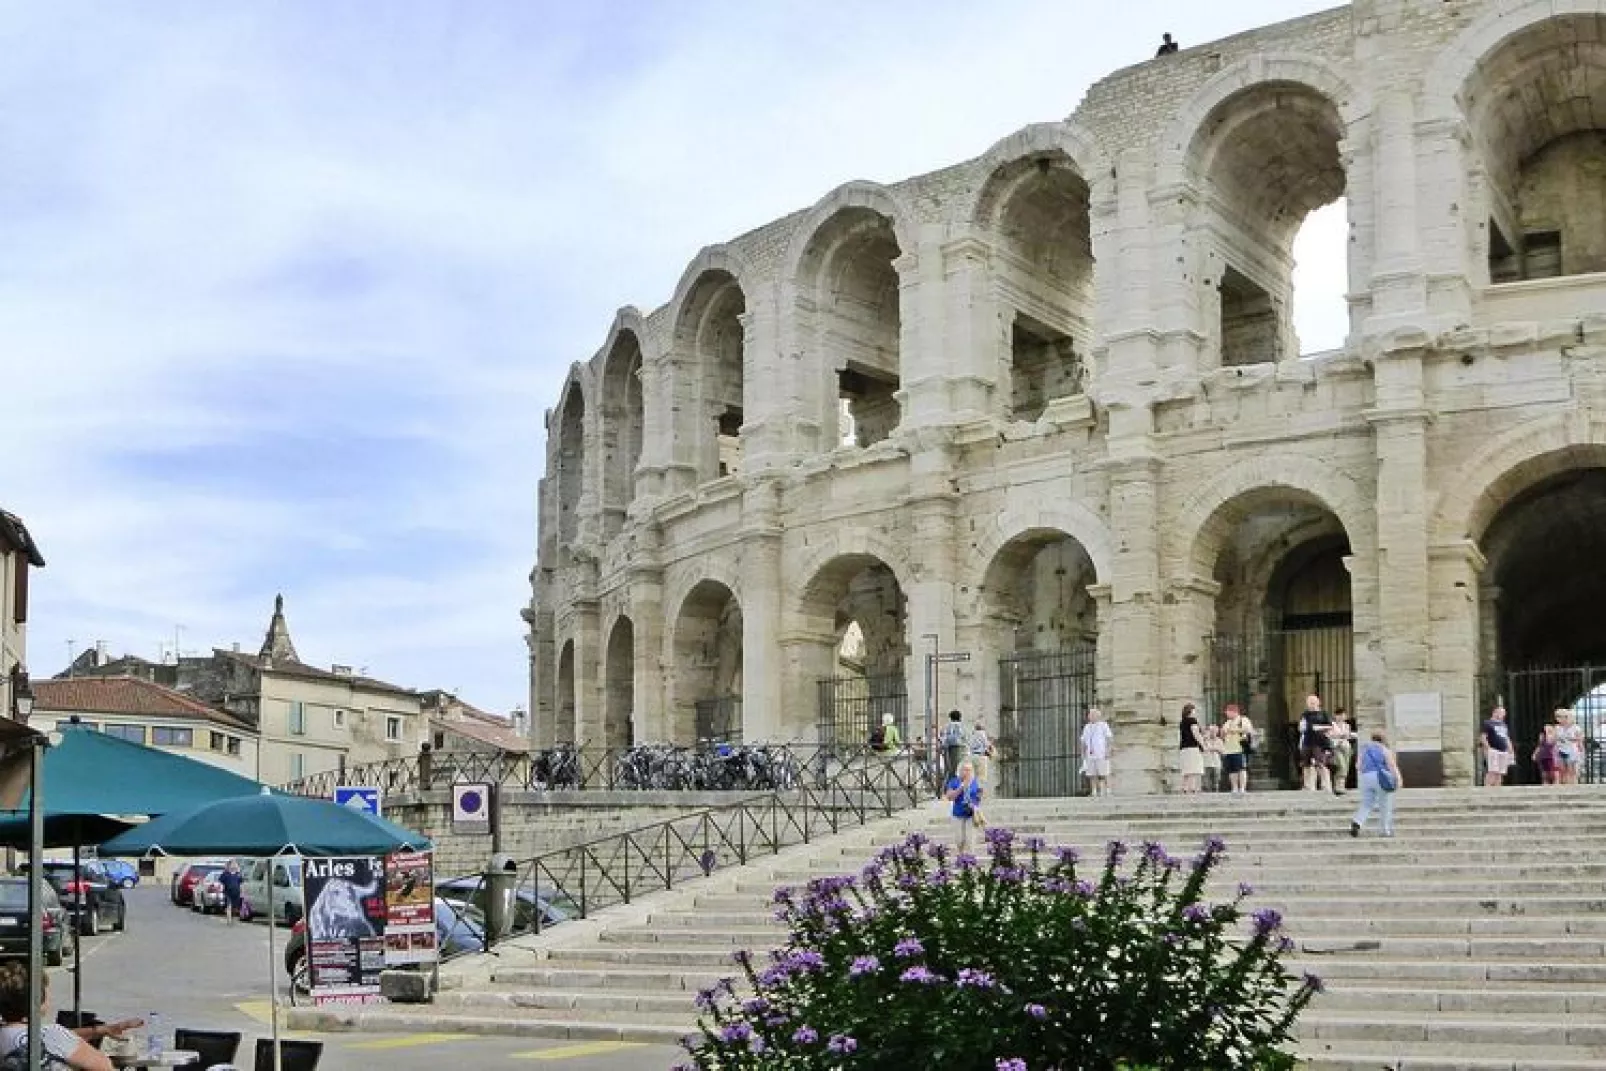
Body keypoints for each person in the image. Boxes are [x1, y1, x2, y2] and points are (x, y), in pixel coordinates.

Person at [0, 961, 141, 1070]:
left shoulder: (43, 1036)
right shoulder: (53, 1035)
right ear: (39, 1001)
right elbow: (104, 1066)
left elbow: (42, 1039)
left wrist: (99, 1030)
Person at [1350, 728, 1403, 838]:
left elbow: (1358, 766)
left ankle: (1357, 821)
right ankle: (1384, 830)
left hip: (1365, 778)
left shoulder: (1364, 749)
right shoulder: (1384, 749)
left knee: (1367, 803)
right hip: (1380, 777)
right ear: (1383, 738)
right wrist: (1398, 778)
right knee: (1385, 804)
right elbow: (1391, 765)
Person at [944, 759, 984, 853]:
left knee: (970, 841)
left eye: (969, 770)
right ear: (960, 771)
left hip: (971, 815)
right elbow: (949, 797)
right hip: (958, 815)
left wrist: (974, 804)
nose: (967, 772)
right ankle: (961, 857)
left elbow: (979, 796)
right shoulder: (954, 781)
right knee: (959, 840)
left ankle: (970, 860)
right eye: (965, 769)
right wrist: (961, 788)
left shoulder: (975, 782)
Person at [1298, 694, 1334, 792]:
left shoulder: (1324, 714)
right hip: (1307, 741)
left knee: (1321, 764)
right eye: (1309, 703)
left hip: (1320, 742)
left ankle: (1326, 785)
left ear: (1318, 703)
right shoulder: (1305, 714)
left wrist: (1318, 727)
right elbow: (1302, 727)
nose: (1311, 705)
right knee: (1306, 764)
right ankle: (1307, 786)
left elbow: (1330, 726)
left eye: (1313, 702)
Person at [1080, 707, 1113, 797]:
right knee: (1092, 774)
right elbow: (1083, 741)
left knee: (1105, 772)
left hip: (1101, 753)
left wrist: (1108, 750)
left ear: (1097, 716)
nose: (1090, 716)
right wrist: (1083, 753)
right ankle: (1094, 791)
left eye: (1092, 714)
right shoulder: (1087, 727)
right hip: (1090, 754)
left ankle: (1108, 790)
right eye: (1090, 714)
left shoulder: (1103, 725)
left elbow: (1109, 738)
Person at [1481, 705, 1514, 787]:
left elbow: (1506, 737)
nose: (1503, 715)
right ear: (1495, 712)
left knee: (1501, 772)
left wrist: (1510, 748)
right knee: (1492, 771)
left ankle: (1498, 788)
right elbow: (1483, 737)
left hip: (1503, 750)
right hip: (1493, 749)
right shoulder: (1488, 723)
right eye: (1501, 713)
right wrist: (1488, 748)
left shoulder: (1503, 725)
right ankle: (1487, 788)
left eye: (1504, 713)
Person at [1177, 703, 1204, 794]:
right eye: (1194, 710)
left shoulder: (1182, 722)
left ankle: (1184, 787)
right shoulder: (1192, 720)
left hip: (1183, 747)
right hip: (1192, 746)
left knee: (1186, 768)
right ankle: (1192, 788)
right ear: (1191, 711)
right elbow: (1196, 734)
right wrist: (1203, 744)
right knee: (1193, 768)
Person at [1327, 707, 1354, 796]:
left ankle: (1341, 786)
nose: (1341, 717)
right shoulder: (1332, 725)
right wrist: (1339, 735)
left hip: (1346, 747)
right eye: (1339, 715)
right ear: (1335, 716)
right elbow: (1329, 735)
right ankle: (1337, 786)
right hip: (1336, 747)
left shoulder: (1347, 725)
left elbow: (1348, 735)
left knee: (1346, 766)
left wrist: (1346, 735)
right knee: (1341, 765)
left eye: (1343, 715)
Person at [1555, 708, 1584, 786]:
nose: (1558, 719)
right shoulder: (1557, 728)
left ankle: (1573, 784)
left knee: (1572, 769)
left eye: (1560, 716)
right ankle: (1565, 785)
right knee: (1563, 769)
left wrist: (1570, 739)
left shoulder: (1576, 728)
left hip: (1572, 750)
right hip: (1561, 749)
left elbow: (1580, 739)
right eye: (1557, 717)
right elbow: (1554, 738)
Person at [941, 710, 968, 786]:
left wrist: (944, 745)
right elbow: (965, 737)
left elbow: (944, 737)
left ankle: (948, 786)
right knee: (958, 768)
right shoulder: (961, 726)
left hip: (948, 748)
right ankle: (957, 785)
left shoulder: (947, 726)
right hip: (959, 748)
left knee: (949, 768)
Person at [220, 858, 245, 924]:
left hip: (236, 893)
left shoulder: (238, 874)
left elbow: (241, 883)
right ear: (229, 865)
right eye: (232, 864)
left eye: (235, 864)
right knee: (229, 905)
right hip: (228, 892)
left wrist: (242, 892)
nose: (234, 866)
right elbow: (221, 881)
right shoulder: (226, 873)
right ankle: (229, 919)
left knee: (235, 908)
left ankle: (232, 917)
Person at [1201, 724, 1223, 793]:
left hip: (1216, 763)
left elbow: (1222, 751)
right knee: (1206, 781)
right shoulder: (1204, 740)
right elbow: (1203, 749)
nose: (1213, 732)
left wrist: (1214, 748)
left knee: (1216, 781)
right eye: (1211, 731)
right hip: (1206, 763)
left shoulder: (1219, 740)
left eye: (1214, 731)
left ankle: (1215, 794)